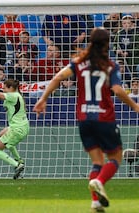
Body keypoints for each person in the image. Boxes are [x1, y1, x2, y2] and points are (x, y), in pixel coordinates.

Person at [33, 28, 139, 212]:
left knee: (97, 161)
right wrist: (135, 106)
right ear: (107, 44)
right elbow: (118, 90)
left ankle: (95, 202)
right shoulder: (110, 65)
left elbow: (58, 77)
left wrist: (43, 99)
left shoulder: (78, 62)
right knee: (115, 156)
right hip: (104, 117)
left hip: (84, 119)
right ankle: (99, 181)